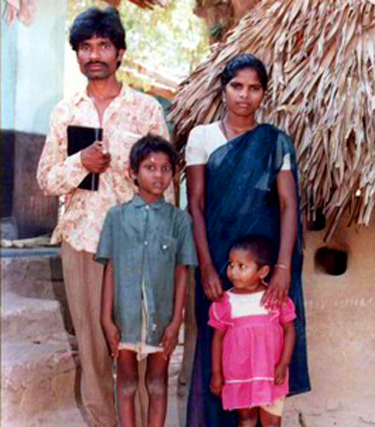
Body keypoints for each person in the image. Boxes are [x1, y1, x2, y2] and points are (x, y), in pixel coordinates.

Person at [37, 7, 169, 427]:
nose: (95, 55)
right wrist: (81, 162)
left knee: (140, 348)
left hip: (138, 245)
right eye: (86, 47)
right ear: (77, 54)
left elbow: (165, 174)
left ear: (120, 52)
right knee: (93, 350)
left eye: (103, 46)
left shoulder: (146, 109)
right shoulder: (64, 112)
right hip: (81, 242)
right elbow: (47, 180)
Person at [185, 53, 310, 427]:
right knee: (218, 351)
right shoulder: (202, 137)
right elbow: (196, 204)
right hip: (219, 260)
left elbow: (289, 205)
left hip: (265, 263)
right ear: (223, 90)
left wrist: (283, 267)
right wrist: (208, 265)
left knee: (268, 346)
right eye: (237, 86)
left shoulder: (275, 142)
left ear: (263, 94)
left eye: (254, 88)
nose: (245, 95)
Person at [95, 134, 197, 427]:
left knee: (157, 382)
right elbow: (111, 268)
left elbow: (181, 272)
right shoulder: (116, 217)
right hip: (125, 318)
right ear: (133, 172)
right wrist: (106, 319)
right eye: (150, 167)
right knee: (126, 382)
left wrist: (176, 321)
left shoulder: (180, 220)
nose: (159, 174)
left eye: (166, 168)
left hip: (161, 319)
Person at [209, 235, 296, 427]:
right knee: (246, 419)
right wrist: (217, 373)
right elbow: (218, 339)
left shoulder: (275, 298)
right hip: (239, 374)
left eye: (242, 266)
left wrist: (284, 363)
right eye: (231, 264)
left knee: (272, 421)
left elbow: (289, 330)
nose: (233, 272)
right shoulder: (225, 302)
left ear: (263, 271)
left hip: (271, 373)